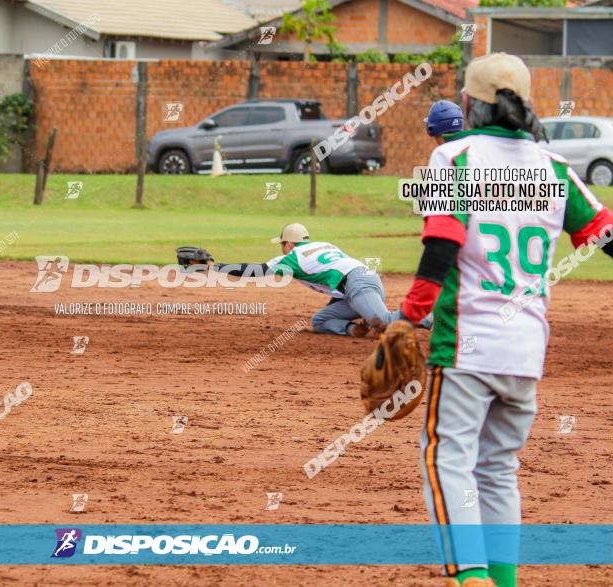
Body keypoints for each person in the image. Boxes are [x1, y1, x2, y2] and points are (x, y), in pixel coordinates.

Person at [393, 53, 613, 587]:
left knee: (448, 461)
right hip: (525, 351)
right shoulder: (555, 167)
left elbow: (443, 242)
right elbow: (606, 236)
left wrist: (406, 318)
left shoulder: (454, 157)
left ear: (469, 104)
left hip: (466, 346)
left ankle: (470, 579)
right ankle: (502, 581)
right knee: (498, 471)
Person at [211, 222, 431, 336]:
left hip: (358, 284)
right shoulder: (323, 244)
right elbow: (335, 278)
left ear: (289, 244)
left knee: (386, 324)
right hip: (359, 283)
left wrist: (216, 267)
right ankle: (355, 330)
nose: (281, 248)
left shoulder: (292, 258)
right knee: (320, 321)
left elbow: (257, 271)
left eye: (282, 244)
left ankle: (432, 318)